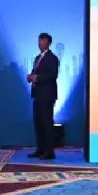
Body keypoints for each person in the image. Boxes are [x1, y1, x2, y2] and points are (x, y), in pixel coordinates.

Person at [27, 32, 59, 160]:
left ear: (48, 43)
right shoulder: (37, 58)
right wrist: (30, 77)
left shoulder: (53, 58)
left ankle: (49, 151)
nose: (40, 43)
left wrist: (38, 78)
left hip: (47, 95)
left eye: (43, 41)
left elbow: (53, 75)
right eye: (39, 41)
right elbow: (35, 72)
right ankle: (40, 149)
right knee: (38, 123)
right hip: (37, 95)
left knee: (47, 123)